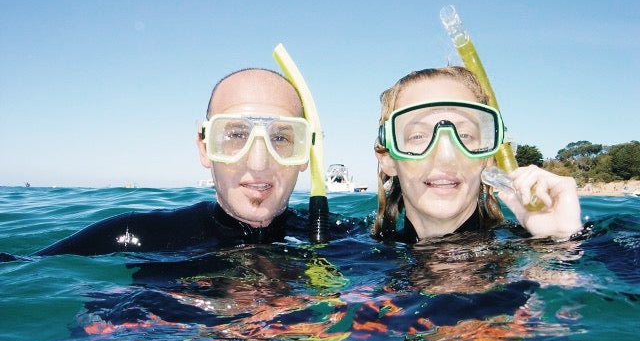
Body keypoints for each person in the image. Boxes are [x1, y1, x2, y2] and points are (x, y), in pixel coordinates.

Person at [35, 68, 353, 256]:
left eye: (281, 138)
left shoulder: (343, 238)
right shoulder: (135, 235)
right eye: (236, 135)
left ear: (306, 153)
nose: (258, 163)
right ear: (204, 147)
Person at [373, 66, 583, 243]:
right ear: (388, 159)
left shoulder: (527, 248)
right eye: (418, 136)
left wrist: (560, 243)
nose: (446, 157)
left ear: (487, 156)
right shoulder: (353, 258)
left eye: (464, 135)